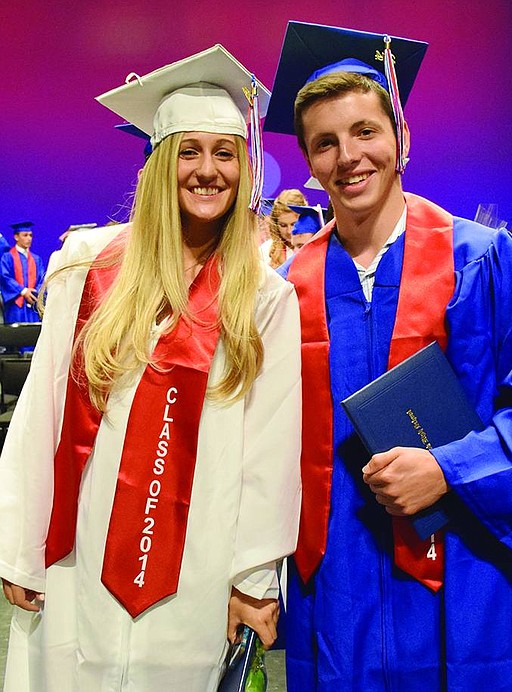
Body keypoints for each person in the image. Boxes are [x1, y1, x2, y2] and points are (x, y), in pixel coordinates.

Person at [264, 21, 512, 691]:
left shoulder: (487, 264)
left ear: (402, 139)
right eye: (326, 143)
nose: (349, 156)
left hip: (471, 574)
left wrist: (450, 468)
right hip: (339, 586)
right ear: (311, 165)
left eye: (365, 132)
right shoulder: (286, 290)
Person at [0, 45, 302, 692]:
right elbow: (42, 411)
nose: (207, 170)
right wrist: (19, 545)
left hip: (197, 560)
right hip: (77, 550)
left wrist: (252, 582)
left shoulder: (265, 296)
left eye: (224, 153)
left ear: (244, 171)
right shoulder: (87, 267)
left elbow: (270, 451)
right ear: (161, 164)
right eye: (188, 151)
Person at [0, 222, 45, 324]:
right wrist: (23, 291)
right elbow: (5, 277)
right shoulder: (7, 257)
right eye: (25, 235)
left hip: (33, 304)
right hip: (15, 306)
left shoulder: (36, 259)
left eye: (30, 235)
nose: (29, 238)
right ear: (16, 237)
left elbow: (42, 279)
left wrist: (34, 292)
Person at [259, 189, 307, 268]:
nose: (289, 231)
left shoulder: (316, 248)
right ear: (276, 224)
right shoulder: (264, 251)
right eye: (283, 225)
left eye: (293, 224)